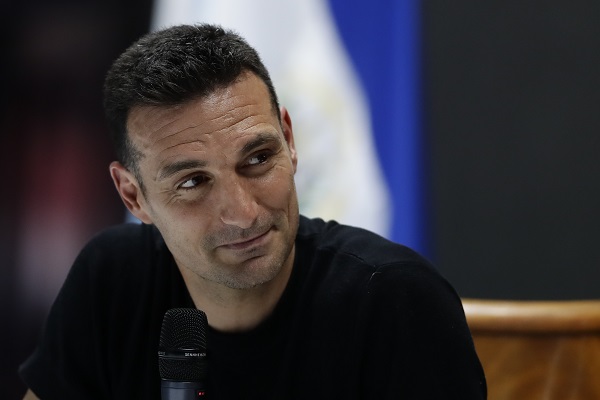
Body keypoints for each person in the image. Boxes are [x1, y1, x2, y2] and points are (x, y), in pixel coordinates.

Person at [19, 24, 486, 399]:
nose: (243, 214)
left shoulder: (394, 301)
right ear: (133, 197)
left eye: (258, 159)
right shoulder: (112, 278)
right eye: (193, 183)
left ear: (289, 138)